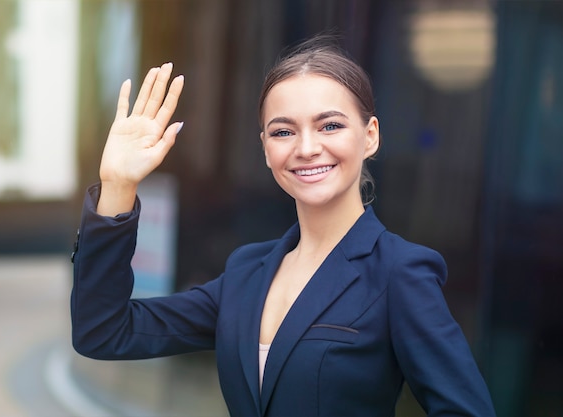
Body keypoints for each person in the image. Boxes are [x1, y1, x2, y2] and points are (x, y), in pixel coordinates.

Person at [71, 36, 496, 416]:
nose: (307, 148)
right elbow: (104, 332)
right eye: (283, 131)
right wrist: (118, 185)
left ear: (370, 136)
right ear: (265, 148)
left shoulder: (399, 272)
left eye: (330, 125)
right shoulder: (247, 272)